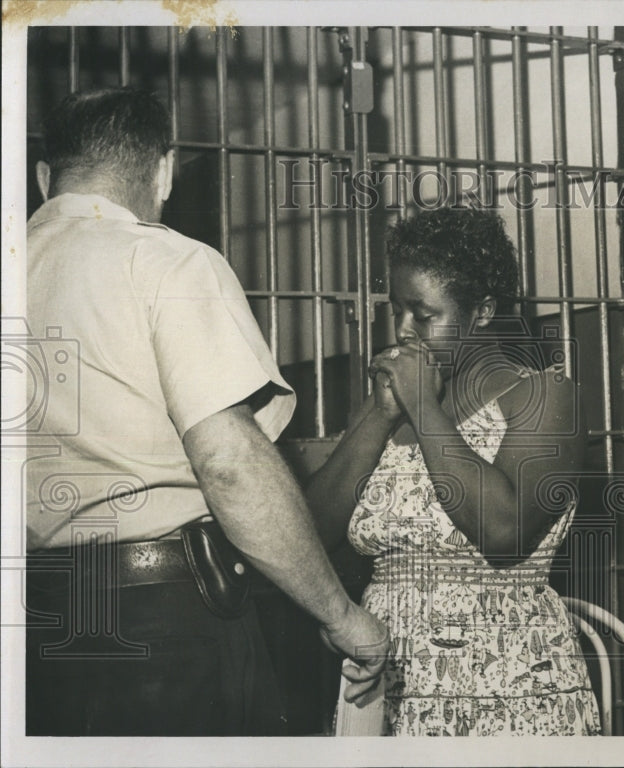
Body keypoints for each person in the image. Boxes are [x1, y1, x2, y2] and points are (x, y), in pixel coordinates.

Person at [24, 87, 388, 736]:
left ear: (45, 178)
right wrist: (339, 614)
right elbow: (229, 464)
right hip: (166, 627)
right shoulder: (165, 261)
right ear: (163, 171)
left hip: (29, 627)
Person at [307, 207, 602, 736]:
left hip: (508, 683)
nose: (402, 329)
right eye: (396, 309)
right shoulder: (386, 404)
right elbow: (310, 535)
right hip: (385, 682)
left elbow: (504, 534)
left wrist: (425, 410)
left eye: (424, 314)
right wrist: (381, 416)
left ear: (482, 311)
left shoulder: (543, 396)